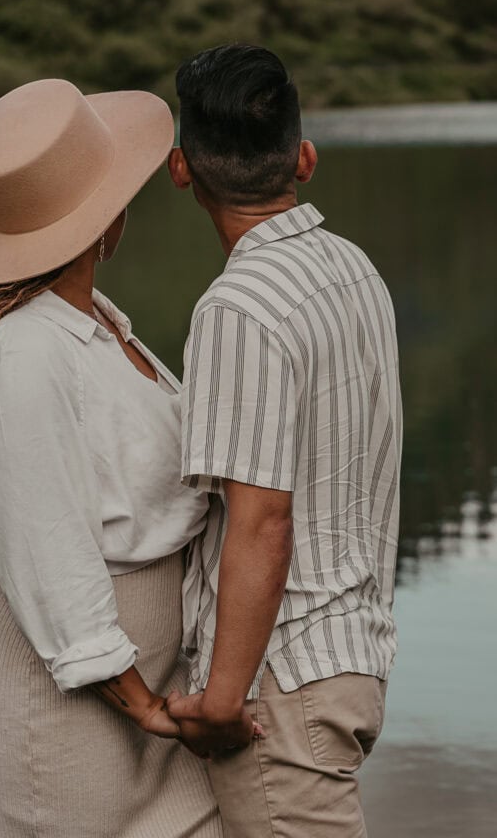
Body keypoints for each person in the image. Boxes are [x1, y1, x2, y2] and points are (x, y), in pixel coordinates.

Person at [0, 79, 225, 838]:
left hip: (137, 672)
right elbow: (44, 544)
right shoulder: (24, 353)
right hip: (71, 689)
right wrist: (140, 702)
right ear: (105, 222)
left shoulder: (94, 321)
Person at [166, 44, 402, 837]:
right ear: (303, 157)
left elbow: (260, 520)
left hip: (280, 686)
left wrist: (220, 702)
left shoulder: (238, 307)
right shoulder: (352, 266)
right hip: (351, 655)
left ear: (179, 170)